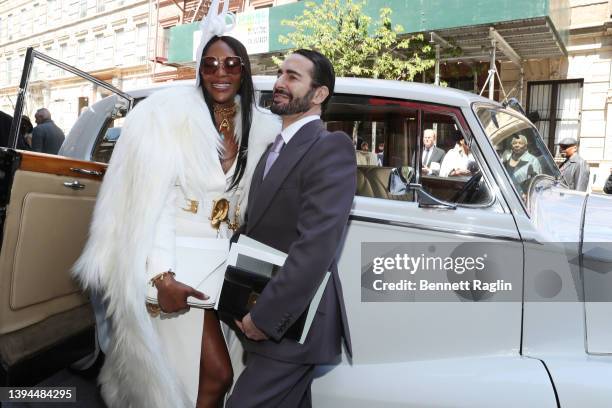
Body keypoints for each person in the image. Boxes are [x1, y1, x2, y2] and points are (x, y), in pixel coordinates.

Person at [72, 1, 280, 406]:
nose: (221, 72)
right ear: (199, 70)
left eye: (232, 64)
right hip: (177, 268)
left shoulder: (261, 129)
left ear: (244, 70)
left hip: (224, 275)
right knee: (210, 377)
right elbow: (152, 205)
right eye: (210, 64)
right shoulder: (165, 119)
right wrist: (160, 277)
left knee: (211, 380)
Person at [227, 49, 356, 408]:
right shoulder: (273, 149)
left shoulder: (331, 148)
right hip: (266, 322)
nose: (280, 82)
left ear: (319, 95)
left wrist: (265, 318)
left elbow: (315, 248)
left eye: (293, 77)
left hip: (293, 325)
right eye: (281, 73)